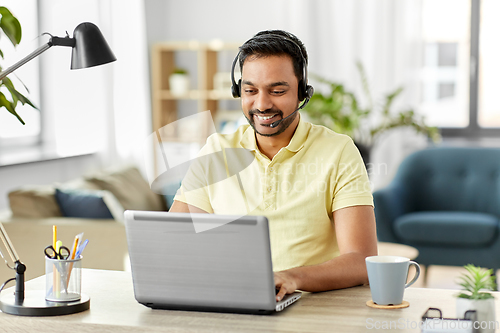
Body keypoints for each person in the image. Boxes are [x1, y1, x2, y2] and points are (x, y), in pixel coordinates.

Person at [170, 30, 377, 302]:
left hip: (311, 305)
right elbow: (172, 238)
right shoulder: (217, 150)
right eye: (250, 91)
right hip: (231, 301)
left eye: (277, 91)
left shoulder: (339, 151)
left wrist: (291, 278)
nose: (262, 104)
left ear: (302, 92)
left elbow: (362, 261)